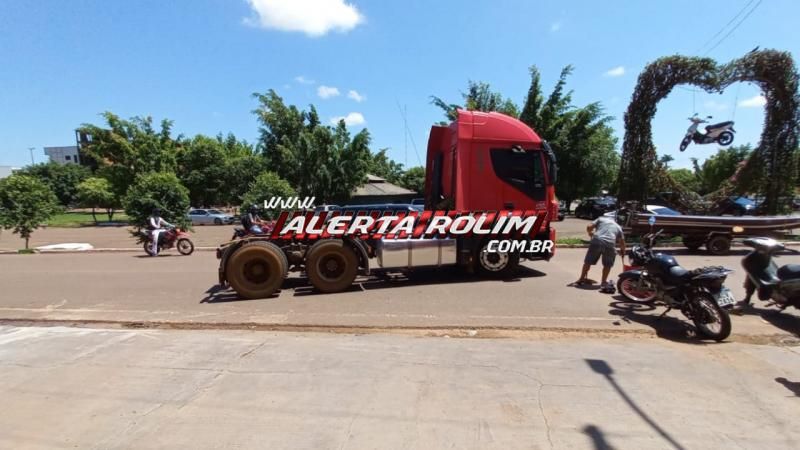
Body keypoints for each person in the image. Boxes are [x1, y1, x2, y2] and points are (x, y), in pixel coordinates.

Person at [575, 215, 626, 293]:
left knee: (588, 261)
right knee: (607, 264)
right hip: (610, 243)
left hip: (597, 240)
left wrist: (590, 233)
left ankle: (581, 278)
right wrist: (623, 251)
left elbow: (589, 226)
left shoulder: (601, 219)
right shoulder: (618, 227)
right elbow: (622, 242)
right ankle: (603, 282)